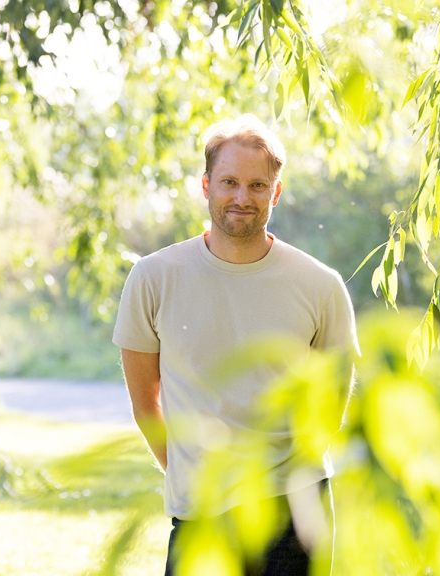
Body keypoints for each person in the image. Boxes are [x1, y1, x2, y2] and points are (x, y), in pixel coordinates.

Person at [113, 114, 358, 575]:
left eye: (257, 185)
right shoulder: (153, 278)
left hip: (295, 513)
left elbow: (330, 404)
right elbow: (147, 404)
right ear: (206, 186)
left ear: (276, 192)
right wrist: (188, 473)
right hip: (200, 512)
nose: (242, 198)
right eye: (229, 182)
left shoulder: (320, 286)